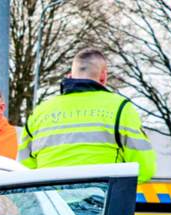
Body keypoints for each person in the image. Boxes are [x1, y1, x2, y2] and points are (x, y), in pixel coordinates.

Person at [18, 48, 156, 184]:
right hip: (98, 201)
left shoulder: (40, 111)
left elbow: (25, 167)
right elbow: (144, 169)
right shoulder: (121, 108)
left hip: (52, 202)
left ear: (70, 75)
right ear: (103, 76)